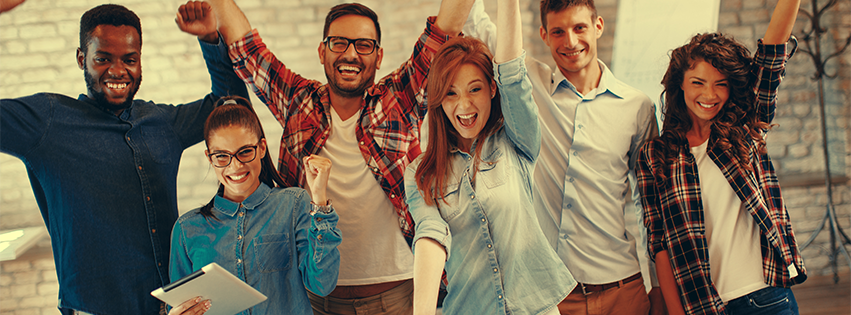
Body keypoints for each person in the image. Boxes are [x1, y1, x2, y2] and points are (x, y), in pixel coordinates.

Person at [179, 0, 473, 313]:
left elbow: (444, 31)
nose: (350, 54)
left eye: (363, 45)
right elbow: (248, 50)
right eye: (339, 43)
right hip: (316, 300)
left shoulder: (398, 99)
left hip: (396, 295)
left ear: (379, 55)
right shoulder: (298, 101)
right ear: (322, 52)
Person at [0, 1, 248, 314]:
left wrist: (211, 40)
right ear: (82, 58)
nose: (118, 71)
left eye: (129, 59)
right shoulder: (47, 124)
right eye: (103, 58)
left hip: (170, 309)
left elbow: (233, 109)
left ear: (140, 61)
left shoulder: (160, 122)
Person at [463, 0, 661, 314]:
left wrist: (657, 287)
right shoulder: (529, 86)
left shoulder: (637, 107)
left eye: (579, 27)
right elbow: (475, 24)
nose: (570, 41)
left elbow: (649, 206)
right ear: (544, 34)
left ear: (597, 26)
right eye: (558, 31)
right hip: (552, 296)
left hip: (623, 289)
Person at [635, 0, 807, 314]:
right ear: (680, 85)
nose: (709, 95)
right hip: (704, 306)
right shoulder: (655, 156)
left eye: (720, 85)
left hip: (768, 297)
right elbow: (659, 245)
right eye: (697, 83)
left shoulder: (744, 128)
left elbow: (771, 58)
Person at [405, 0, 572, 314]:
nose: (464, 106)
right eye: (451, 93)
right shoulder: (421, 173)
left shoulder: (515, 139)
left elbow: (512, 74)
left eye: (475, 89)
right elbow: (431, 236)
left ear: (492, 90)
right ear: (439, 99)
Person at [166, 96, 342, 315]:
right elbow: (179, 303)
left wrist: (319, 200)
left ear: (261, 148)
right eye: (222, 156)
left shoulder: (294, 204)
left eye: (245, 151)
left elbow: (322, 284)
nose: (236, 165)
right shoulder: (186, 229)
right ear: (209, 158)